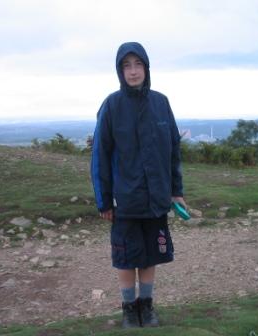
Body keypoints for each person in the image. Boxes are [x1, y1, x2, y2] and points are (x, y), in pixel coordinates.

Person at [91, 41, 186, 329]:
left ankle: (147, 307)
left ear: (146, 67)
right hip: (125, 201)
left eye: (138, 64)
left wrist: (176, 192)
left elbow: (173, 150)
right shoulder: (111, 105)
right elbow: (100, 156)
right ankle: (129, 310)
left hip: (156, 198)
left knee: (149, 255)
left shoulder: (161, 102)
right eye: (126, 66)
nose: (133, 71)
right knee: (126, 258)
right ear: (120, 71)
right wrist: (104, 200)